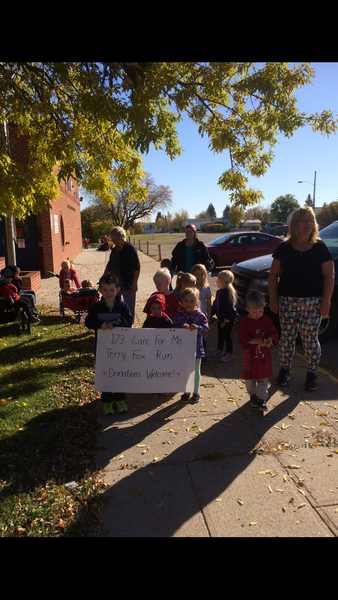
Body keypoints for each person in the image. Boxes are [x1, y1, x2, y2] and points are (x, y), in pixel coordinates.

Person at [268, 206, 335, 391]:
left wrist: (326, 301)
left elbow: (329, 275)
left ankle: (312, 373)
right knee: (286, 339)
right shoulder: (285, 247)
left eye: (310, 220)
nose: (307, 224)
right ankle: (284, 370)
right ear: (294, 224)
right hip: (287, 302)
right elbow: (273, 275)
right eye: (303, 220)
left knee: (310, 340)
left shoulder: (320, 247)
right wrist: (273, 298)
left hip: (312, 303)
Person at [85, 273, 133, 415]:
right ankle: (106, 402)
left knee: (119, 373)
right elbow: (88, 322)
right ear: (99, 290)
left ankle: (119, 399)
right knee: (105, 373)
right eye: (105, 290)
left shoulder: (122, 306)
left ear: (117, 290)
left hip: (120, 348)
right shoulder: (96, 308)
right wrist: (100, 324)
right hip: (103, 348)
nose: (108, 293)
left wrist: (115, 323)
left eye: (111, 289)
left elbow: (129, 320)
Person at [239, 290, 279, 412]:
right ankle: (253, 394)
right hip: (250, 356)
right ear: (247, 309)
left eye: (260, 311)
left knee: (263, 378)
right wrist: (255, 341)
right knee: (250, 379)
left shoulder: (266, 321)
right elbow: (243, 337)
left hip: (262, 357)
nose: (258, 314)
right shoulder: (244, 322)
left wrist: (270, 340)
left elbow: (273, 333)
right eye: (254, 312)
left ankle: (262, 399)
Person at [172, 287, 209, 403]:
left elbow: (206, 330)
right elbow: (173, 328)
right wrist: (181, 327)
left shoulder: (200, 316)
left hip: (196, 348)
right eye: (186, 301)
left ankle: (196, 391)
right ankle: (186, 391)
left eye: (191, 301)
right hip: (183, 349)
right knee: (185, 370)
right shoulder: (179, 315)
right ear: (181, 301)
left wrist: (197, 328)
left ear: (197, 302)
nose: (188, 304)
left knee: (196, 371)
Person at [104, 226, 140, 319]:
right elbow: (110, 263)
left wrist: (134, 282)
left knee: (129, 305)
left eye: (112, 239)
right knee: (114, 303)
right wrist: (104, 276)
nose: (112, 241)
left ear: (117, 238)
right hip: (114, 283)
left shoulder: (130, 248)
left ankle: (129, 323)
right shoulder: (115, 249)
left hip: (127, 282)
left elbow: (137, 267)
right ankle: (116, 321)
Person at [210, 270, 237, 362]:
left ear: (222, 281)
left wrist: (228, 317)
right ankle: (220, 349)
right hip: (221, 318)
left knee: (227, 335)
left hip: (227, 320)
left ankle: (229, 352)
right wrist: (212, 312)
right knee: (220, 334)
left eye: (218, 279)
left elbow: (232, 308)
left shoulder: (229, 294)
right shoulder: (219, 292)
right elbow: (215, 304)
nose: (216, 281)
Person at [191, 263, 212, 362]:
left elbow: (208, 303)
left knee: (202, 336)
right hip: (192, 314)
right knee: (193, 334)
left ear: (205, 275)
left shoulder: (206, 289)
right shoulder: (191, 288)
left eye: (201, 274)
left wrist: (209, 315)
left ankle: (203, 355)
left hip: (202, 316)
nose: (199, 276)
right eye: (196, 274)